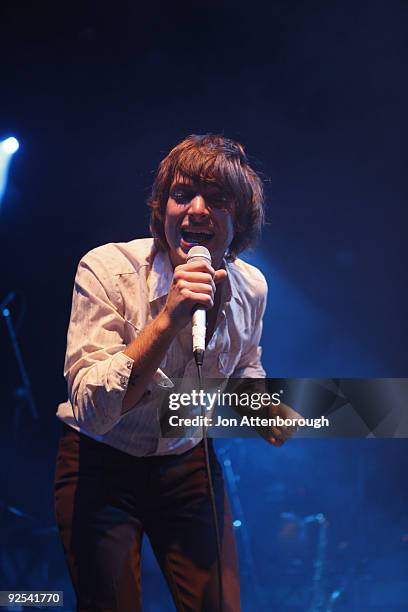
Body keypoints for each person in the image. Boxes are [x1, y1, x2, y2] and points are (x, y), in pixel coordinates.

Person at [54, 134, 293, 612]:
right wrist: (168, 320)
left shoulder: (252, 286)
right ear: (161, 208)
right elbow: (93, 410)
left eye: (217, 199)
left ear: (238, 219)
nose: (197, 210)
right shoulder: (106, 269)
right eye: (182, 195)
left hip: (187, 462)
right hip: (102, 463)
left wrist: (264, 409)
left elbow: (243, 366)